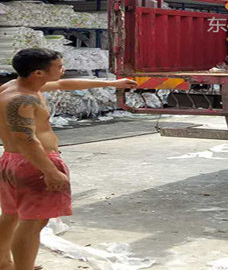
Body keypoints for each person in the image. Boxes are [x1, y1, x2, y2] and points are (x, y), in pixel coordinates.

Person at [0, 48, 138, 270]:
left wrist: (112, 83)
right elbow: (26, 140)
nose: (63, 69)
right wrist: (50, 171)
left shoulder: (16, 87)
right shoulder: (22, 99)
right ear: (38, 73)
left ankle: (3, 262)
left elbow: (65, 84)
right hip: (33, 164)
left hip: (11, 161)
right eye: (58, 66)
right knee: (33, 223)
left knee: (11, 214)